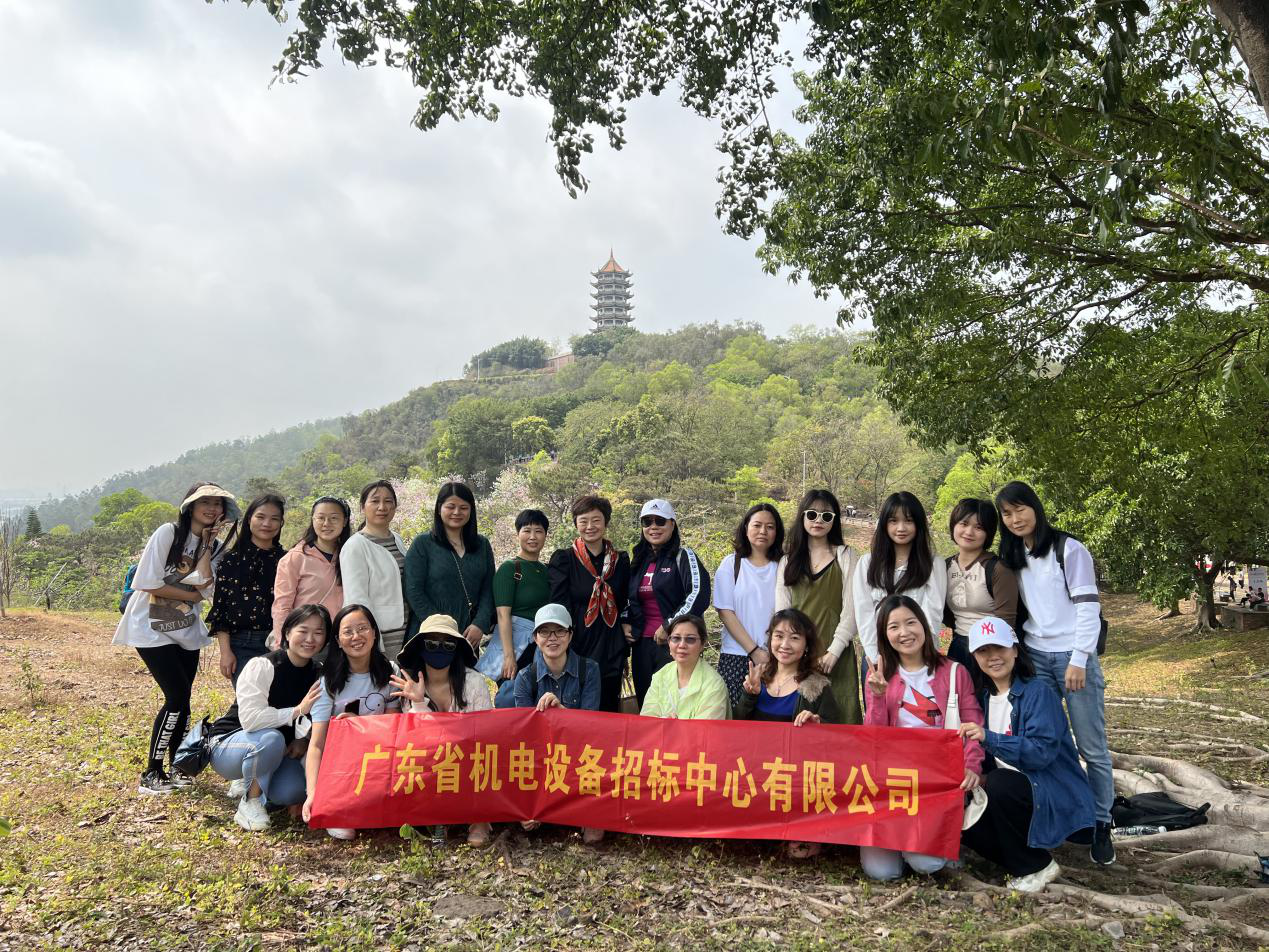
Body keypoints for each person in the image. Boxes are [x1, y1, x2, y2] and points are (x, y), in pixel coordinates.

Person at [996, 480, 1114, 865]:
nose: (1015, 519)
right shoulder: (1014, 554)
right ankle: (1062, 816)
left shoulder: (1069, 549)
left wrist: (1079, 658)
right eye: (1007, 514)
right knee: (1047, 743)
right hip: (1035, 657)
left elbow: (1087, 607)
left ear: (1036, 507)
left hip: (1072, 658)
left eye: (1020, 509)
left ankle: (1102, 822)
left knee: (1090, 746)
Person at [112, 482, 239, 794]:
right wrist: (191, 594)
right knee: (177, 697)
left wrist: (206, 547)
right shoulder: (168, 533)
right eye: (205, 502)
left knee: (183, 700)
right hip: (150, 628)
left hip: (185, 630)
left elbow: (205, 587)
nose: (212, 508)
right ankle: (152, 772)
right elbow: (147, 581)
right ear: (190, 506)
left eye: (218, 504)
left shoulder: (216, 547)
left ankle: (177, 767)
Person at [959, 616, 1096, 892]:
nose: (993, 657)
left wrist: (989, 738)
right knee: (965, 825)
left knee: (999, 783)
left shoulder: (1037, 692)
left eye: (999, 648)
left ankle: (1034, 865)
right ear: (974, 657)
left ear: (1014, 650)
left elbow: (1040, 754)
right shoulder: (983, 699)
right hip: (1012, 793)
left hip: (1050, 790)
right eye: (983, 651)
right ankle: (1023, 863)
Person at [861, 594, 984, 880]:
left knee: (926, 863)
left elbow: (973, 724)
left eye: (911, 623)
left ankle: (924, 844)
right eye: (894, 627)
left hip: (936, 782)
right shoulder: (880, 676)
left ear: (924, 626)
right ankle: (901, 842)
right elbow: (873, 739)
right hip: (894, 782)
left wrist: (971, 766)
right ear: (884, 635)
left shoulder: (954, 672)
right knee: (881, 871)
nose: (904, 633)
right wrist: (877, 698)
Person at [207, 604, 328, 831]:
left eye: (318, 632)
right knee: (271, 739)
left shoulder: (318, 672)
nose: (310, 639)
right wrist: (297, 710)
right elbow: (250, 720)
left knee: (293, 791)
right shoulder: (263, 665)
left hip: (276, 750)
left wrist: (304, 739)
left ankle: (261, 788)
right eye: (303, 631)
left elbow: (321, 716)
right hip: (230, 744)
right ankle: (249, 801)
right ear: (287, 632)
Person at [734, 608, 840, 859]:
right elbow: (736, 728)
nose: (785, 644)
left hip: (794, 780)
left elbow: (837, 734)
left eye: (794, 637)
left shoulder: (817, 685)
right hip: (756, 775)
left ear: (806, 645)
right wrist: (749, 696)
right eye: (779, 636)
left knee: (798, 852)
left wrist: (817, 722)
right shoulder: (758, 677)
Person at [391, 613, 495, 847]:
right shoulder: (409, 686)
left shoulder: (474, 683)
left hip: (468, 760)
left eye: (448, 644)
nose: (439, 649)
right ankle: (435, 816)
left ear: (457, 649)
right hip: (429, 761)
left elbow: (485, 735)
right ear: (420, 647)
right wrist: (419, 703)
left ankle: (479, 819)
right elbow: (413, 741)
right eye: (431, 643)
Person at [302, 604, 403, 842]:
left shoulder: (390, 671)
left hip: (376, 755)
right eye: (348, 632)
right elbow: (317, 745)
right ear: (338, 641)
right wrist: (314, 793)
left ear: (374, 633)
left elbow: (393, 729)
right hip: (337, 760)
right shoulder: (328, 681)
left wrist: (360, 727)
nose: (356, 636)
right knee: (345, 829)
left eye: (363, 628)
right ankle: (335, 806)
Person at [512, 604, 604, 844]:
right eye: (545, 632)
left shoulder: (589, 670)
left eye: (560, 631)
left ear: (570, 635)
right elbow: (525, 735)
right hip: (541, 755)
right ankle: (538, 806)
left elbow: (591, 726)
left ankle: (587, 812)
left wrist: (562, 715)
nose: (552, 638)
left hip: (579, 752)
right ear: (535, 638)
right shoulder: (525, 677)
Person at [774, 489, 862, 723]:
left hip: (836, 656)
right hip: (797, 657)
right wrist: (794, 653)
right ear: (802, 517)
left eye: (826, 515)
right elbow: (782, 615)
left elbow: (853, 608)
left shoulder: (846, 556)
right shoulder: (788, 561)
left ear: (834, 521)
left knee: (840, 721)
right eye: (812, 514)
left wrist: (834, 651)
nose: (818, 520)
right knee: (799, 723)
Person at [854, 492, 947, 690]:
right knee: (878, 708)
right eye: (893, 521)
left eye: (909, 521)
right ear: (884, 524)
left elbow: (933, 613)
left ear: (919, 524)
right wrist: (876, 657)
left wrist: (920, 655)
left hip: (918, 659)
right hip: (879, 658)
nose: (901, 528)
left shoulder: (932, 564)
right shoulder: (867, 564)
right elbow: (864, 614)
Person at [547, 495, 632, 713]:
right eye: (583, 521)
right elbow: (559, 605)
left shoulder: (620, 561)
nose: (590, 526)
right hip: (579, 641)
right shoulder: (564, 559)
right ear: (576, 524)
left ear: (606, 522)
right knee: (577, 707)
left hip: (611, 642)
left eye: (596, 520)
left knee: (608, 706)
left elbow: (625, 600)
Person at [626, 499, 711, 705]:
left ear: (672, 524)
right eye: (647, 522)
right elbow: (628, 597)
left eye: (660, 521)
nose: (653, 527)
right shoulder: (638, 560)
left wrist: (669, 626)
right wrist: (625, 620)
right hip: (641, 645)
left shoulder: (684, 556)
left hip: (674, 644)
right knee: (647, 703)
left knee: (675, 704)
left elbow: (698, 594)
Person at [404, 481, 495, 650]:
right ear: (439, 509)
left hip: (468, 635)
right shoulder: (423, 544)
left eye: (464, 507)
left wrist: (480, 623)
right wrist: (441, 627)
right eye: (450, 506)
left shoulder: (482, 545)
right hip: (429, 635)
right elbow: (413, 591)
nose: (457, 512)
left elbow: (488, 589)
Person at [207, 494, 287, 685]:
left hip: (278, 643)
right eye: (260, 517)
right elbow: (221, 609)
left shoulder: (287, 560)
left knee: (278, 698)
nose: (267, 523)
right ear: (249, 519)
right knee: (249, 699)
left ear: (281, 523)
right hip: (242, 644)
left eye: (274, 518)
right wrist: (225, 652)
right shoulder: (231, 559)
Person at [714, 504, 784, 706]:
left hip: (777, 657)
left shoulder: (783, 566)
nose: (763, 531)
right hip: (736, 656)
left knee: (772, 718)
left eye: (770, 527)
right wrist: (754, 651)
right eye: (757, 525)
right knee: (736, 717)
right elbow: (725, 612)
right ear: (746, 528)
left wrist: (770, 653)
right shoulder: (731, 564)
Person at [943, 497, 1018, 680]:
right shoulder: (945, 567)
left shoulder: (998, 569)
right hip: (958, 645)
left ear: (988, 533)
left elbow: (1007, 621)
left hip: (990, 648)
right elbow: (944, 612)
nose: (969, 532)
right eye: (964, 524)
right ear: (954, 525)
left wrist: (993, 652)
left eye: (978, 527)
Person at [482, 509, 552, 699]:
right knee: (512, 697)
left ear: (545, 535)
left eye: (538, 531)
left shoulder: (546, 570)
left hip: (541, 644)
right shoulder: (510, 568)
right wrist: (509, 656)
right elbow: (502, 615)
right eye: (526, 530)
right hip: (517, 646)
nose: (532, 537)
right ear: (518, 534)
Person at [340, 480, 413, 661]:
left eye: (388, 501)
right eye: (375, 501)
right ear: (362, 507)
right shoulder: (355, 546)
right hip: (382, 637)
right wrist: (369, 640)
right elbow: (356, 599)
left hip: (407, 633)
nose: (382, 507)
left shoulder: (397, 539)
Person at [271, 497, 349, 647]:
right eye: (321, 518)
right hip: (307, 641)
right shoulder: (296, 557)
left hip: (341, 640)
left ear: (344, 521)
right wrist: (283, 644)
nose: (326, 523)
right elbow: (282, 606)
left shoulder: (350, 555)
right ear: (313, 520)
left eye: (334, 518)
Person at [640, 614, 731, 719]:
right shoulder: (660, 676)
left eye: (690, 639)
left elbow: (706, 728)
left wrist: (667, 724)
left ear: (703, 644)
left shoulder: (714, 685)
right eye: (676, 638)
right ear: (669, 642)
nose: (682, 645)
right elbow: (646, 720)